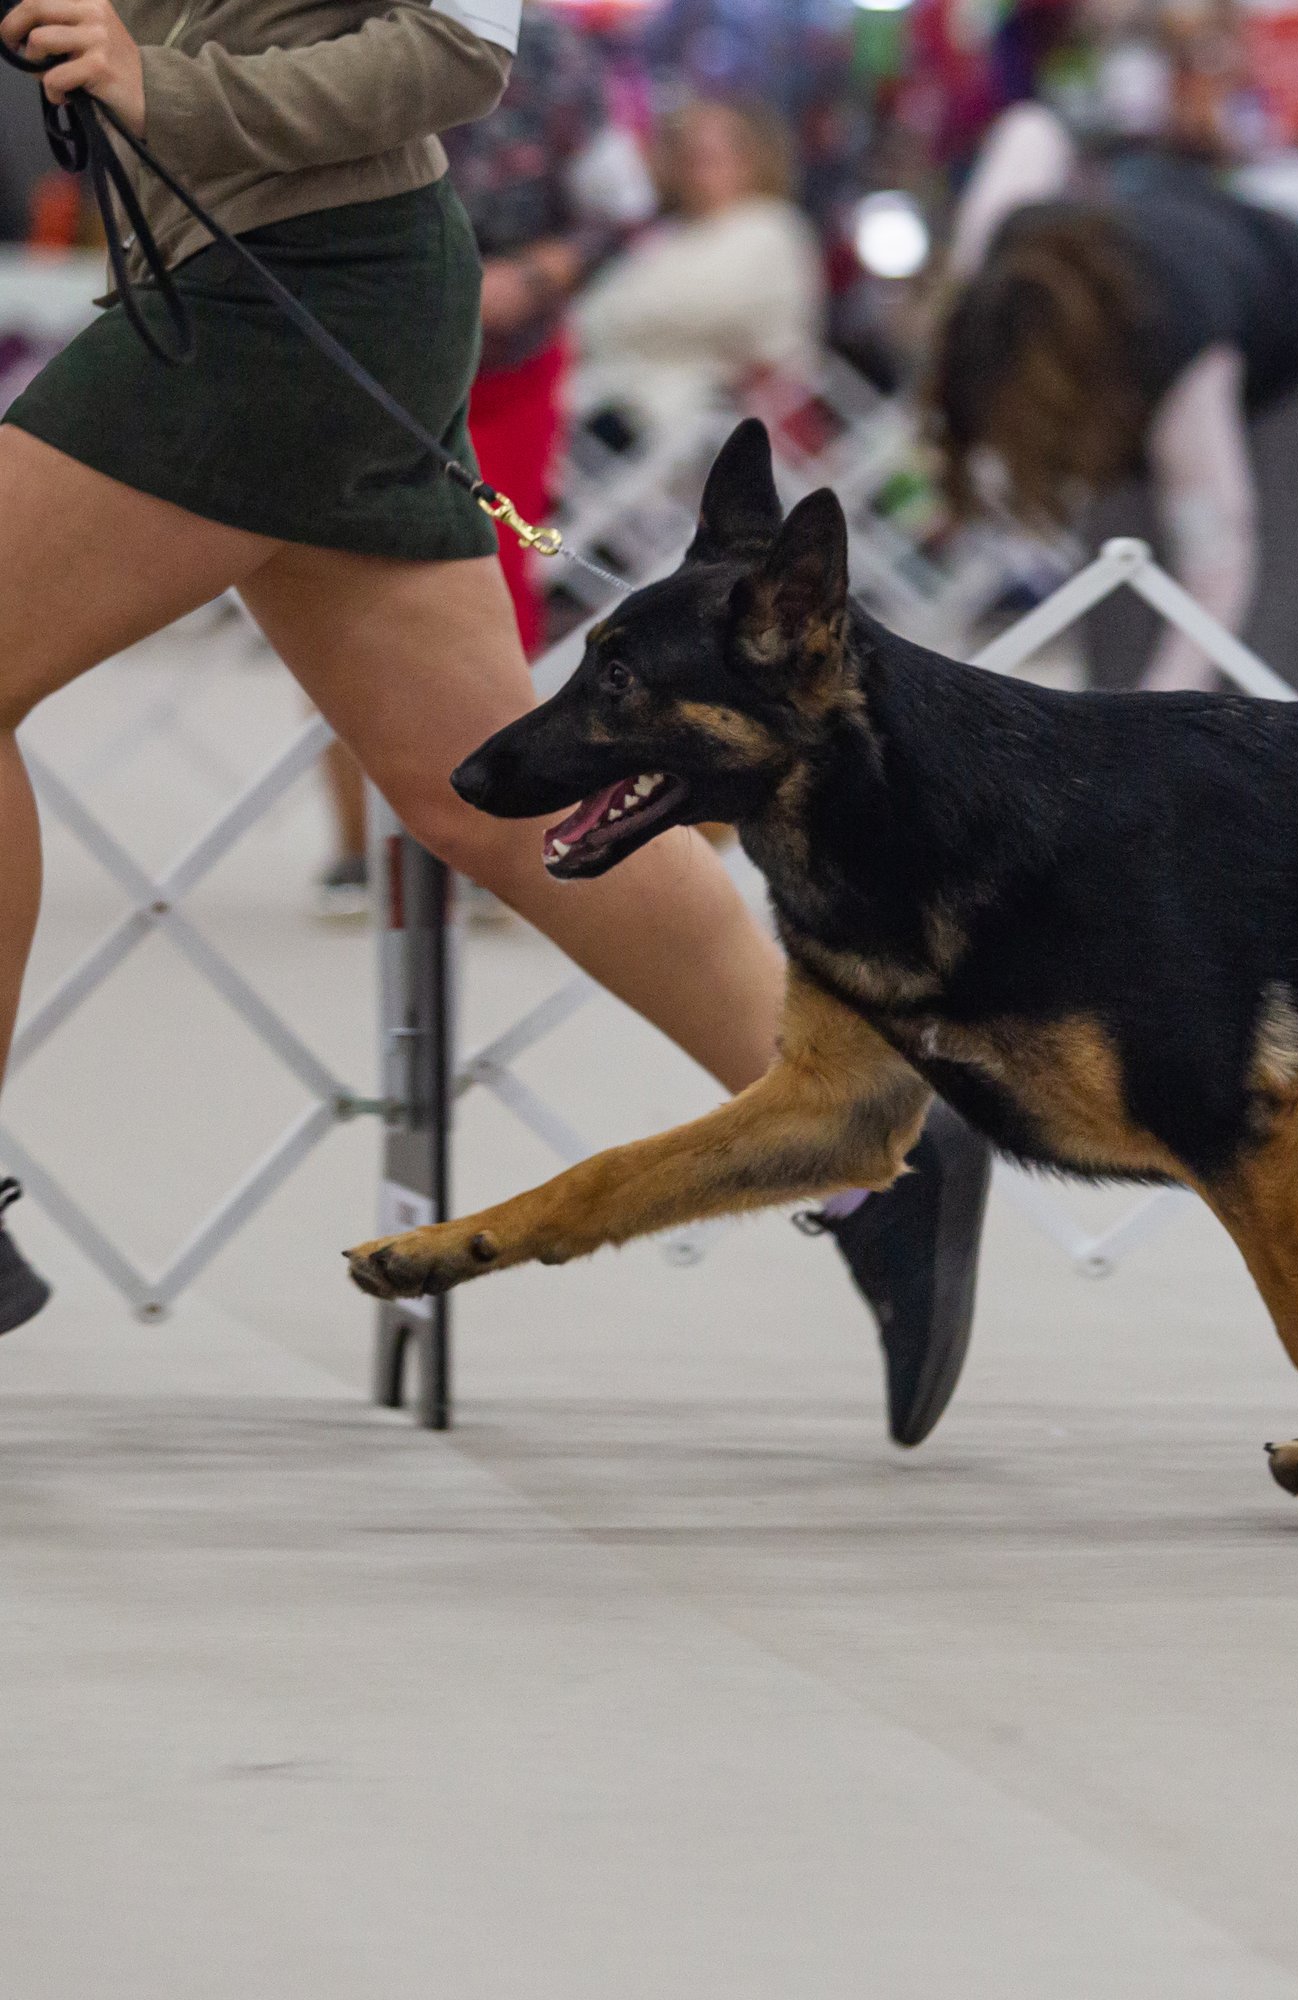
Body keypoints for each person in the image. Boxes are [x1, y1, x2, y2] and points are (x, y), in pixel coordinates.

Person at [0, 0, 988, 1454]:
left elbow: (464, 45)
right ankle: (867, 1145)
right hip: (266, 280)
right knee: (485, 792)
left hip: (290, 294)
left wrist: (176, 91)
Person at [316, 0, 651, 920]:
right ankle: (361, 851)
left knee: (501, 593)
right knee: (342, 584)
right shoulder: (341, 28)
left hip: (508, 366)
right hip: (359, 355)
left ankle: (509, 844)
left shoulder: (557, 57)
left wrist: (537, 275)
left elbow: (621, 210)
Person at [929, 134, 1298, 697]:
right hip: (1176, 300)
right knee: (1120, 575)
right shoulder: (990, 281)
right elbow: (1032, 129)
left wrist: (1160, 713)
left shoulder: (1181, 362)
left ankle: (1294, 763)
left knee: (1279, 610)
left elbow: (1219, 565)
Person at [569, 95, 822, 405]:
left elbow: (703, 307)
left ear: (751, 161)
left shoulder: (772, 226)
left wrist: (593, 328)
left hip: (708, 412)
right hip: (615, 390)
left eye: (710, 156)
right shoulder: (665, 232)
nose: (696, 168)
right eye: (688, 155)